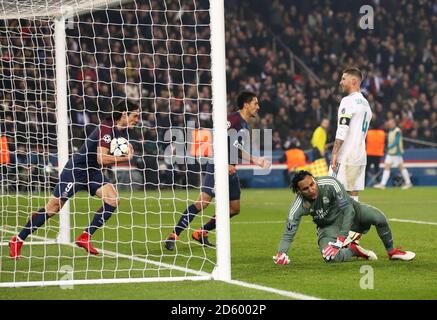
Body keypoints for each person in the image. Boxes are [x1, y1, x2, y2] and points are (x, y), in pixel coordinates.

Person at [9, 100, 140, 259]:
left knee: (113, 200)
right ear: (124, 114)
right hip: (76, 171)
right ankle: (18, 239)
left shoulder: (122, 132)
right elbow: (101, 158)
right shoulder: (107, 128)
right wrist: (125, 158)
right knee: (53, 208)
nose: (137, 120)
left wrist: (121, 153)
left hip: (92, 172)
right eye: (135, 116)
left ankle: (85, 236)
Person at [164, 91, 271, 250]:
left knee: (234, 208)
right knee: (203, 202)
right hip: (218, 166)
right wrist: (224, 163)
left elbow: (237, 150)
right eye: (255, 103)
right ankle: (174, 235)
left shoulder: (245, 126)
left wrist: (256, 160)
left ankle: (202, 232)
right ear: (246, 104)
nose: (258, 107)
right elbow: (216, 140)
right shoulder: (232, 120)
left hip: (231, 170)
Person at [273, 170, 415, 265]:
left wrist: (341, 239)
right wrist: (281, 253)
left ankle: (392, 251)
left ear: (315, 180)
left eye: (312, 184)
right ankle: (354, 250)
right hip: (328, 226)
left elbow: (348, 210)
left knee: (379, 217)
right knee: (329, 257)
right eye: (305, 189)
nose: (311, 189)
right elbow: (288, 234)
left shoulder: (330, 183)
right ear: (299, 191)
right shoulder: (297, 207)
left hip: (350, 211)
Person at [330, 67, 372, 202]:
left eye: (343, 79)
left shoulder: (348, 101)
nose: (340, 82)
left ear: (353, 81)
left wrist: (335, 153)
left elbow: (342, 129)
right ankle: (353, 223)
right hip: (360, 154)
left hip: (346, 155)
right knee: (353, 196)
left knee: (336, 195)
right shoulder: (366, 103)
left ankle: (342, 223)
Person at [374, 118, 413, 189]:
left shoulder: (397, 131)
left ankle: (408, 183)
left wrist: (390, 146)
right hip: (390, 153)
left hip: (396, 153)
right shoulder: (391, 131)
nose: (389, 124)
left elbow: (397, 140)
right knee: (387, 167)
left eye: (390, 123)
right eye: (389, 123)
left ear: (394, 123)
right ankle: (382, 184)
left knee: (401, 167)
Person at [365, 121, 386, 186]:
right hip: (378, 154)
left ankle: (364, 183)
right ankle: (377, 182)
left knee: (366, 169)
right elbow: (384, 143)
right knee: (377, 169)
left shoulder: (368, 133)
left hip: (369, 153)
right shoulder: (382, 133)